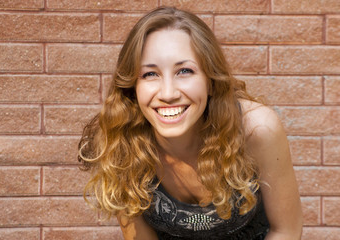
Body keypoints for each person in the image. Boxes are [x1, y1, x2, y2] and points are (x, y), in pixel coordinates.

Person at [78, 6, 303, 240]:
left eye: (184, 71)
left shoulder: (257, 129)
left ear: (210, 79)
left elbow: (285, 230)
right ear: (132, 88)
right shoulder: (120, 140)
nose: (167, 93)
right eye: (150, 74)